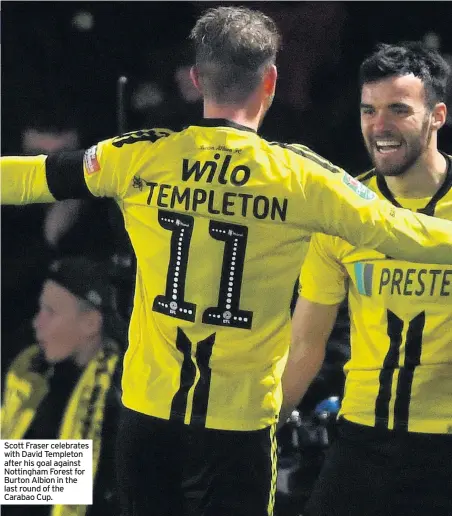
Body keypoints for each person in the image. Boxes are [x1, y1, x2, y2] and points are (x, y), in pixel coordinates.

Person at [2, 8, 452, 515]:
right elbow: (410, 232)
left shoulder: (139, 157)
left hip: (147, 416)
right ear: (271, 81)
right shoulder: (302, 179)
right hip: (238, 428)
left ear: (196, 78)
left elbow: (26, 178)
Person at [281, 42, 452, 515]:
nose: (380, 126)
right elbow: (305, 343)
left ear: (437, 116)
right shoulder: (341, 212)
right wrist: (262, 424)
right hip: (363, 442)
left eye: (399, 109)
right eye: (369, 110)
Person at [1, 256, 125, 516]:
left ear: (91, 323)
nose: (37, 323)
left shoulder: (121, 390)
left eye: (51, 312)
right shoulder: (35, 369)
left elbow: (98, 481)